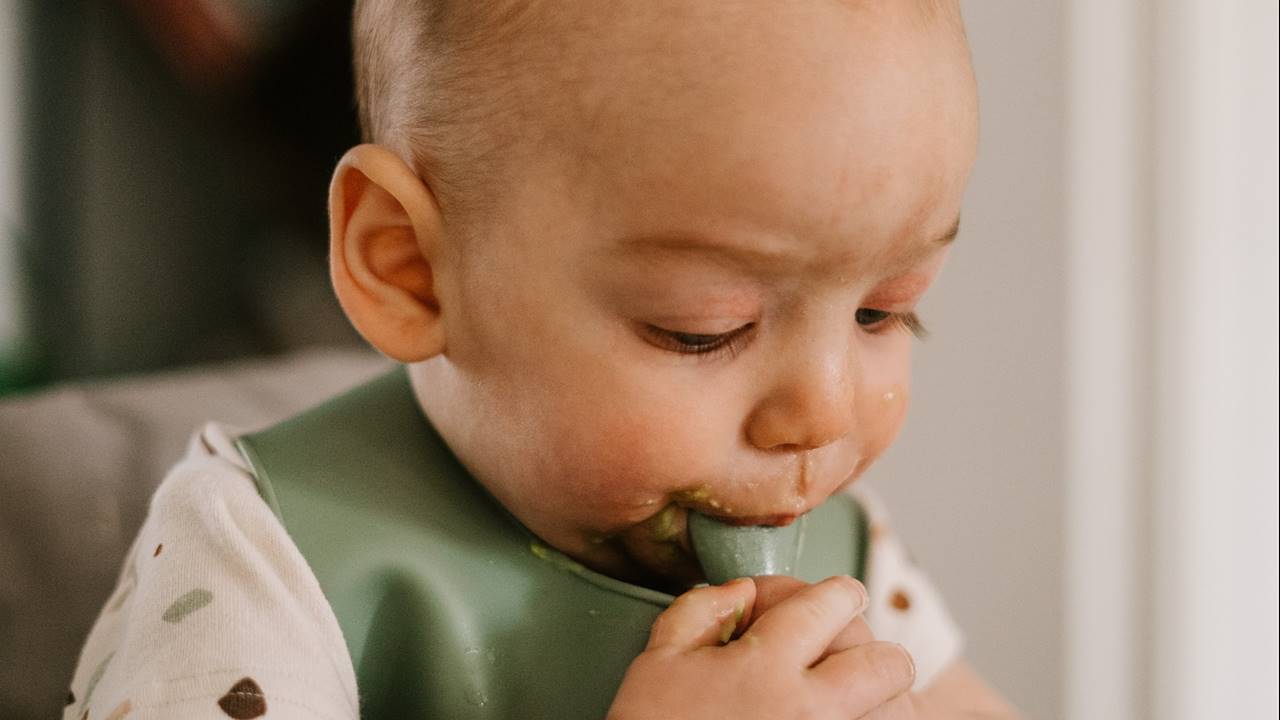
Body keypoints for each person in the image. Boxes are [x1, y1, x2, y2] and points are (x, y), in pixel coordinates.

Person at [65, 1, 1020, 717]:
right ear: (412, 272)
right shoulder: (262, 553)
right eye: (704, 329)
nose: (823, 411)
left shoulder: (847, 552)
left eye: (886, 313)